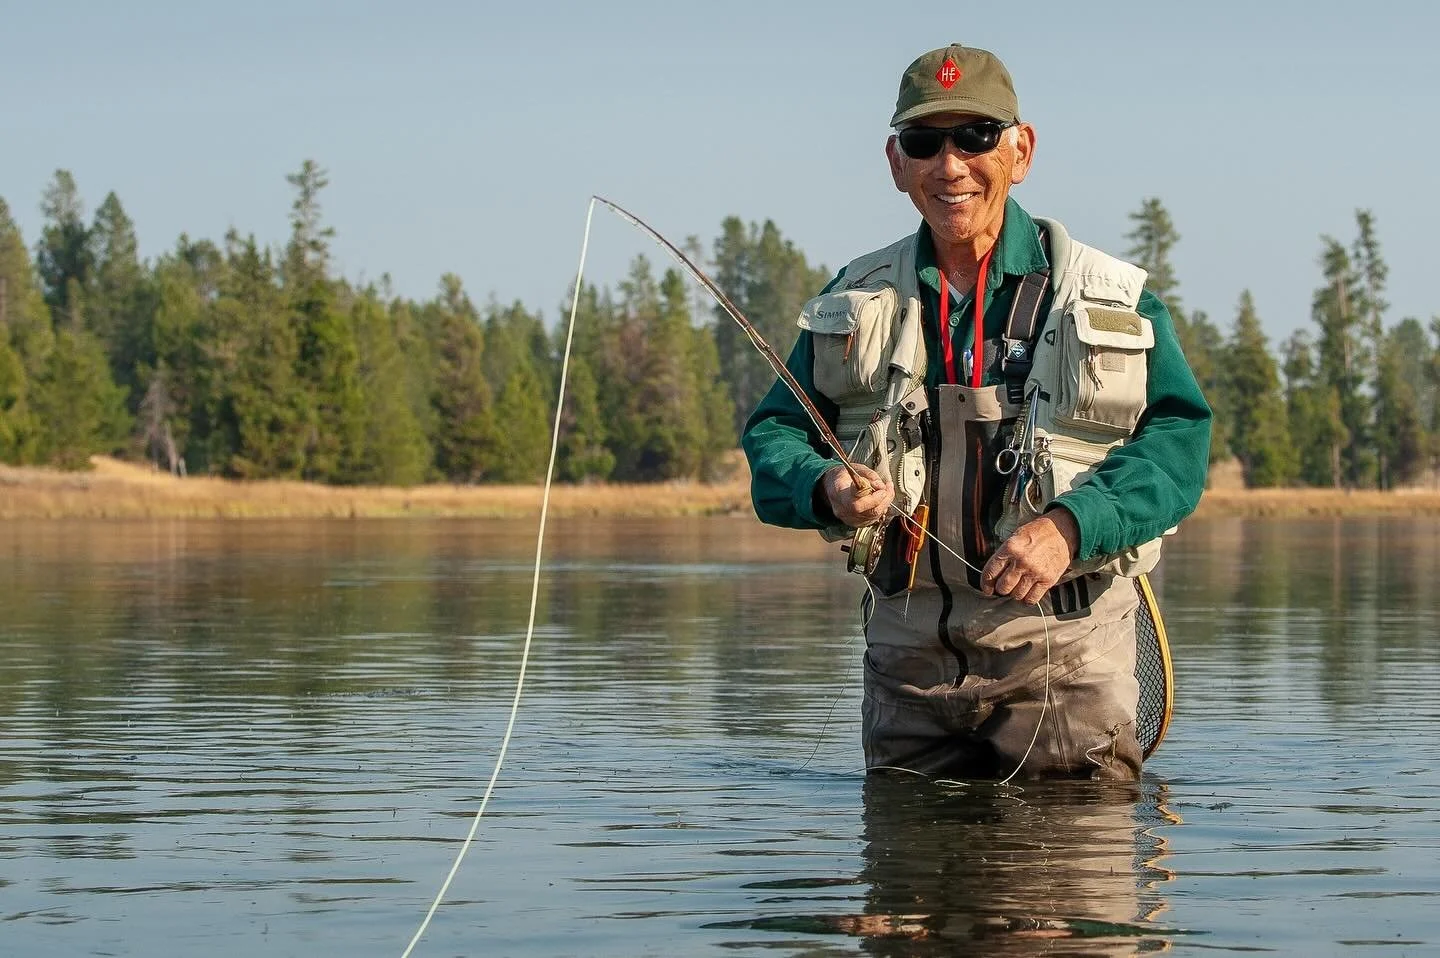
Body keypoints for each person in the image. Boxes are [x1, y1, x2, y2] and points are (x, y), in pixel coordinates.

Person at [741, 43, 1211, 780]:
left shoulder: (1110, 295)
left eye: (976, 137)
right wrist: (826, 485)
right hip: (906, 665)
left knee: (1069, 889)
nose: (950, 164)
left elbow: (1178, 445)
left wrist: (1069, 528)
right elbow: (776, 432)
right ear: (896, 163)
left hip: (1068, 658)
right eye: (925, 143)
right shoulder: (853, 297)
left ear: (1020, 151)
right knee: (898, 885)